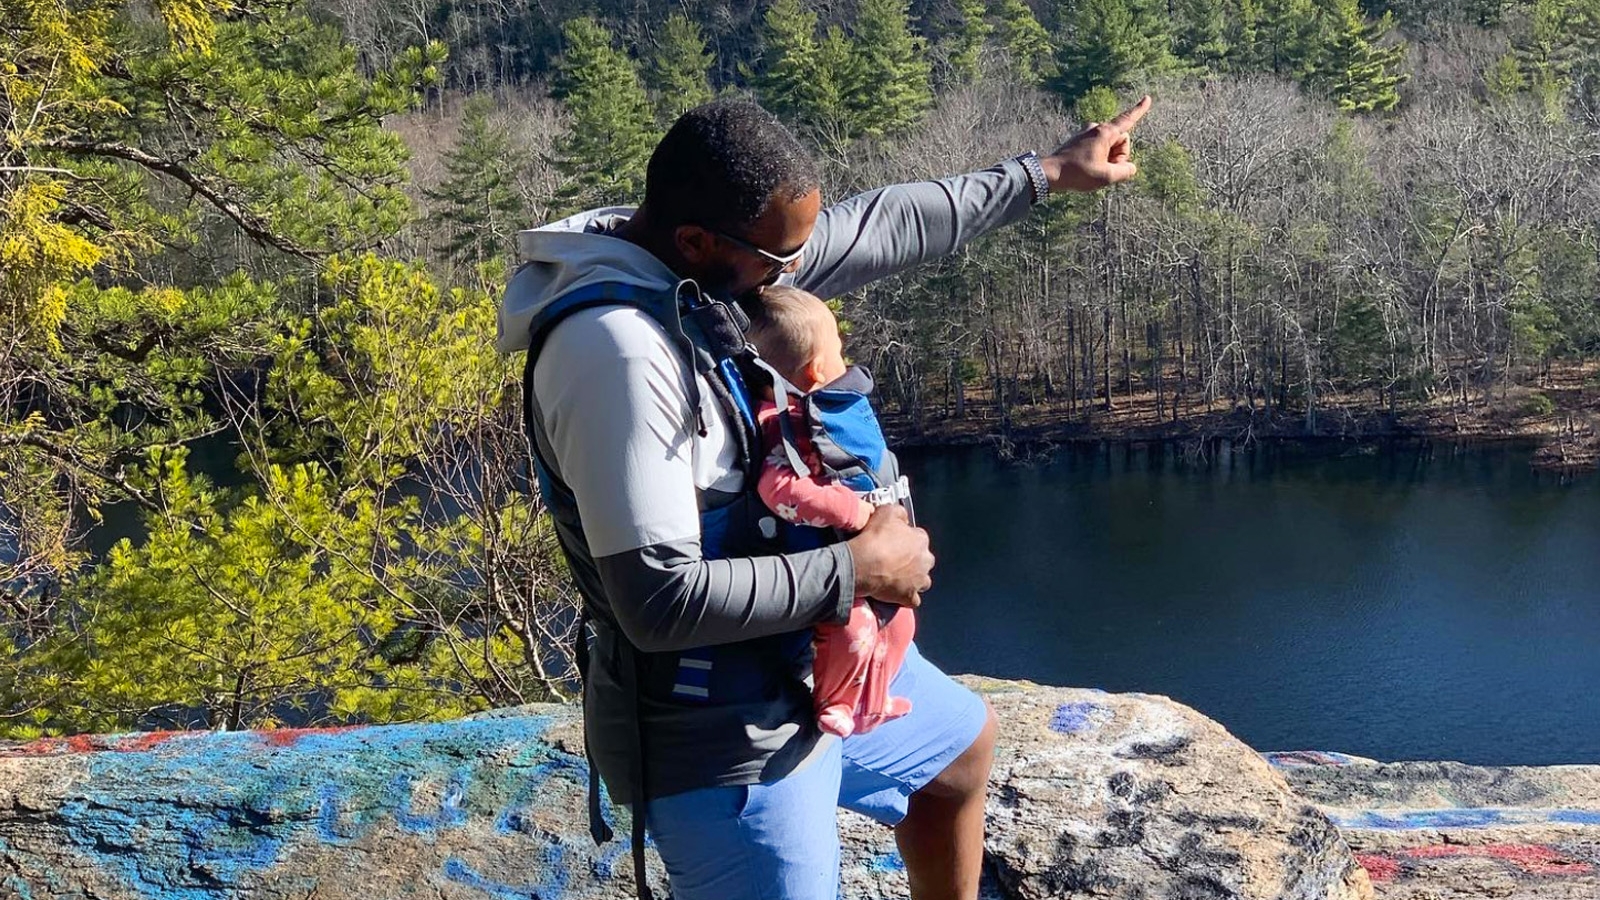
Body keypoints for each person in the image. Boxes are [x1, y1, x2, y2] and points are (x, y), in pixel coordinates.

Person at [497, 95, 1149, 900]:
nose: (794, 274)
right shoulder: (618, 354)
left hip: (796, 669)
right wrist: (860, 567)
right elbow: (656, 603)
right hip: (717, 730)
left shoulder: (696, 269)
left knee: (957, 755)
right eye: (779, 261)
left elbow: (883, 224)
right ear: (698, 241)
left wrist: (1048, 173)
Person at [746, 284, 916, 739]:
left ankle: (873, 702)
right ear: (818, 369)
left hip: (867, 554)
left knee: (901, 623)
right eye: (839, 350)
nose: (846, 359)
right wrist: (856, 515)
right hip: (834, 563)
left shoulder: (821, 414)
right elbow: (778, 488)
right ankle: (836, 702)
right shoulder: (783, 425)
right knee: (854, 630)